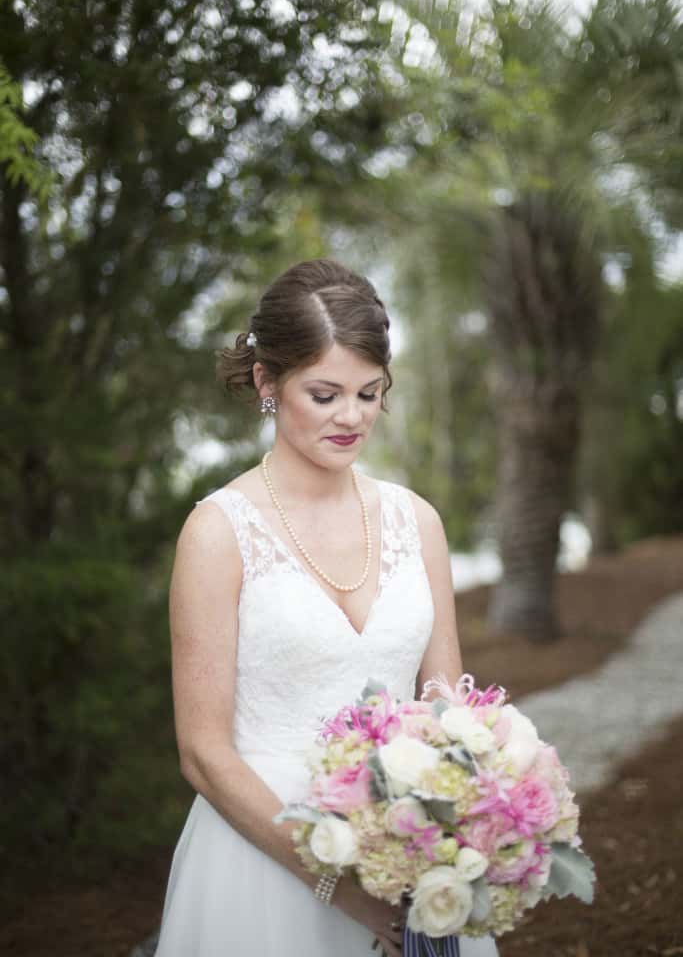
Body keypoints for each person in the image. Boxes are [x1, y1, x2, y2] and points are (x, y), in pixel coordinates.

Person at [154, 259, 499, 957]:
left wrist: (461, 826)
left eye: (369, 394)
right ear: (266, 383)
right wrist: (339, 891)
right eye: (325, 394)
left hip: (410, 862)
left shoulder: (415, 521)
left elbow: (443, 706)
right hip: (260, 870)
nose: (351, 417)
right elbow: (202, 752)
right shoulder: (219, 532)